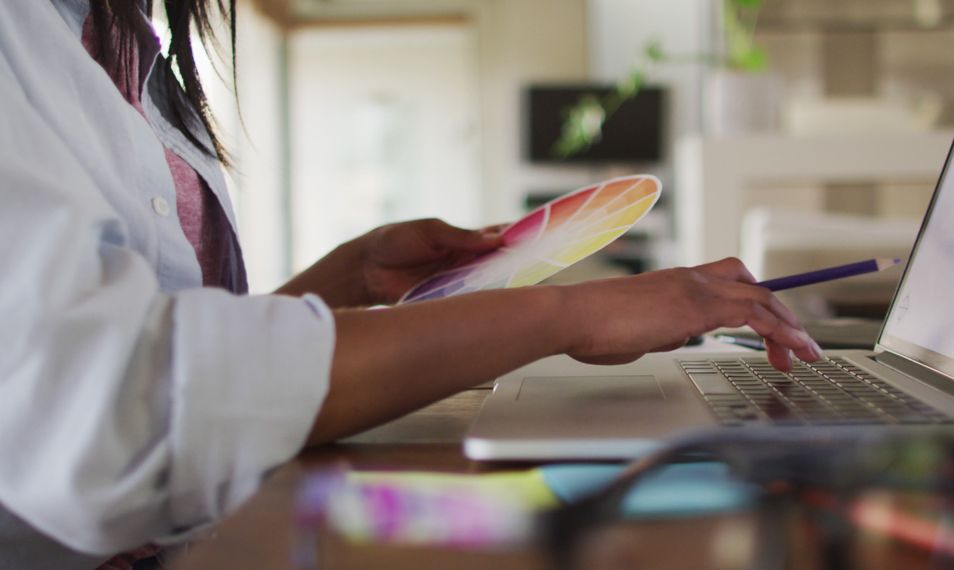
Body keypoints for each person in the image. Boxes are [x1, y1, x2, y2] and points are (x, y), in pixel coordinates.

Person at [0, 0, 821, 567]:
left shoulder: (123, 47)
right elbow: (117, 406)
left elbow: (171, 360)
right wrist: (568, 312)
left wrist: (344, 278)